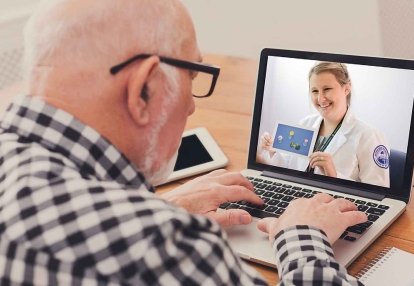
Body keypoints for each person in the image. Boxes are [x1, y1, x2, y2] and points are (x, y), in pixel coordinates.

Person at [0, 0, 367, 285]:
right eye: (193, 76)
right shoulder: (162, 245)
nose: (192, 104)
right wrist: (301, 235)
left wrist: (152, 207)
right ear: (143, 89)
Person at [258, 62, 390, 187]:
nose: (321, 99)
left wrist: (334, 175)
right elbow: (291, 167)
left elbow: (378, 192)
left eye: (327, 89)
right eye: (315, 91)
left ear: (347, 89)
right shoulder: (305, 123)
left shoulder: (369, 136)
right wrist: (273, 152)